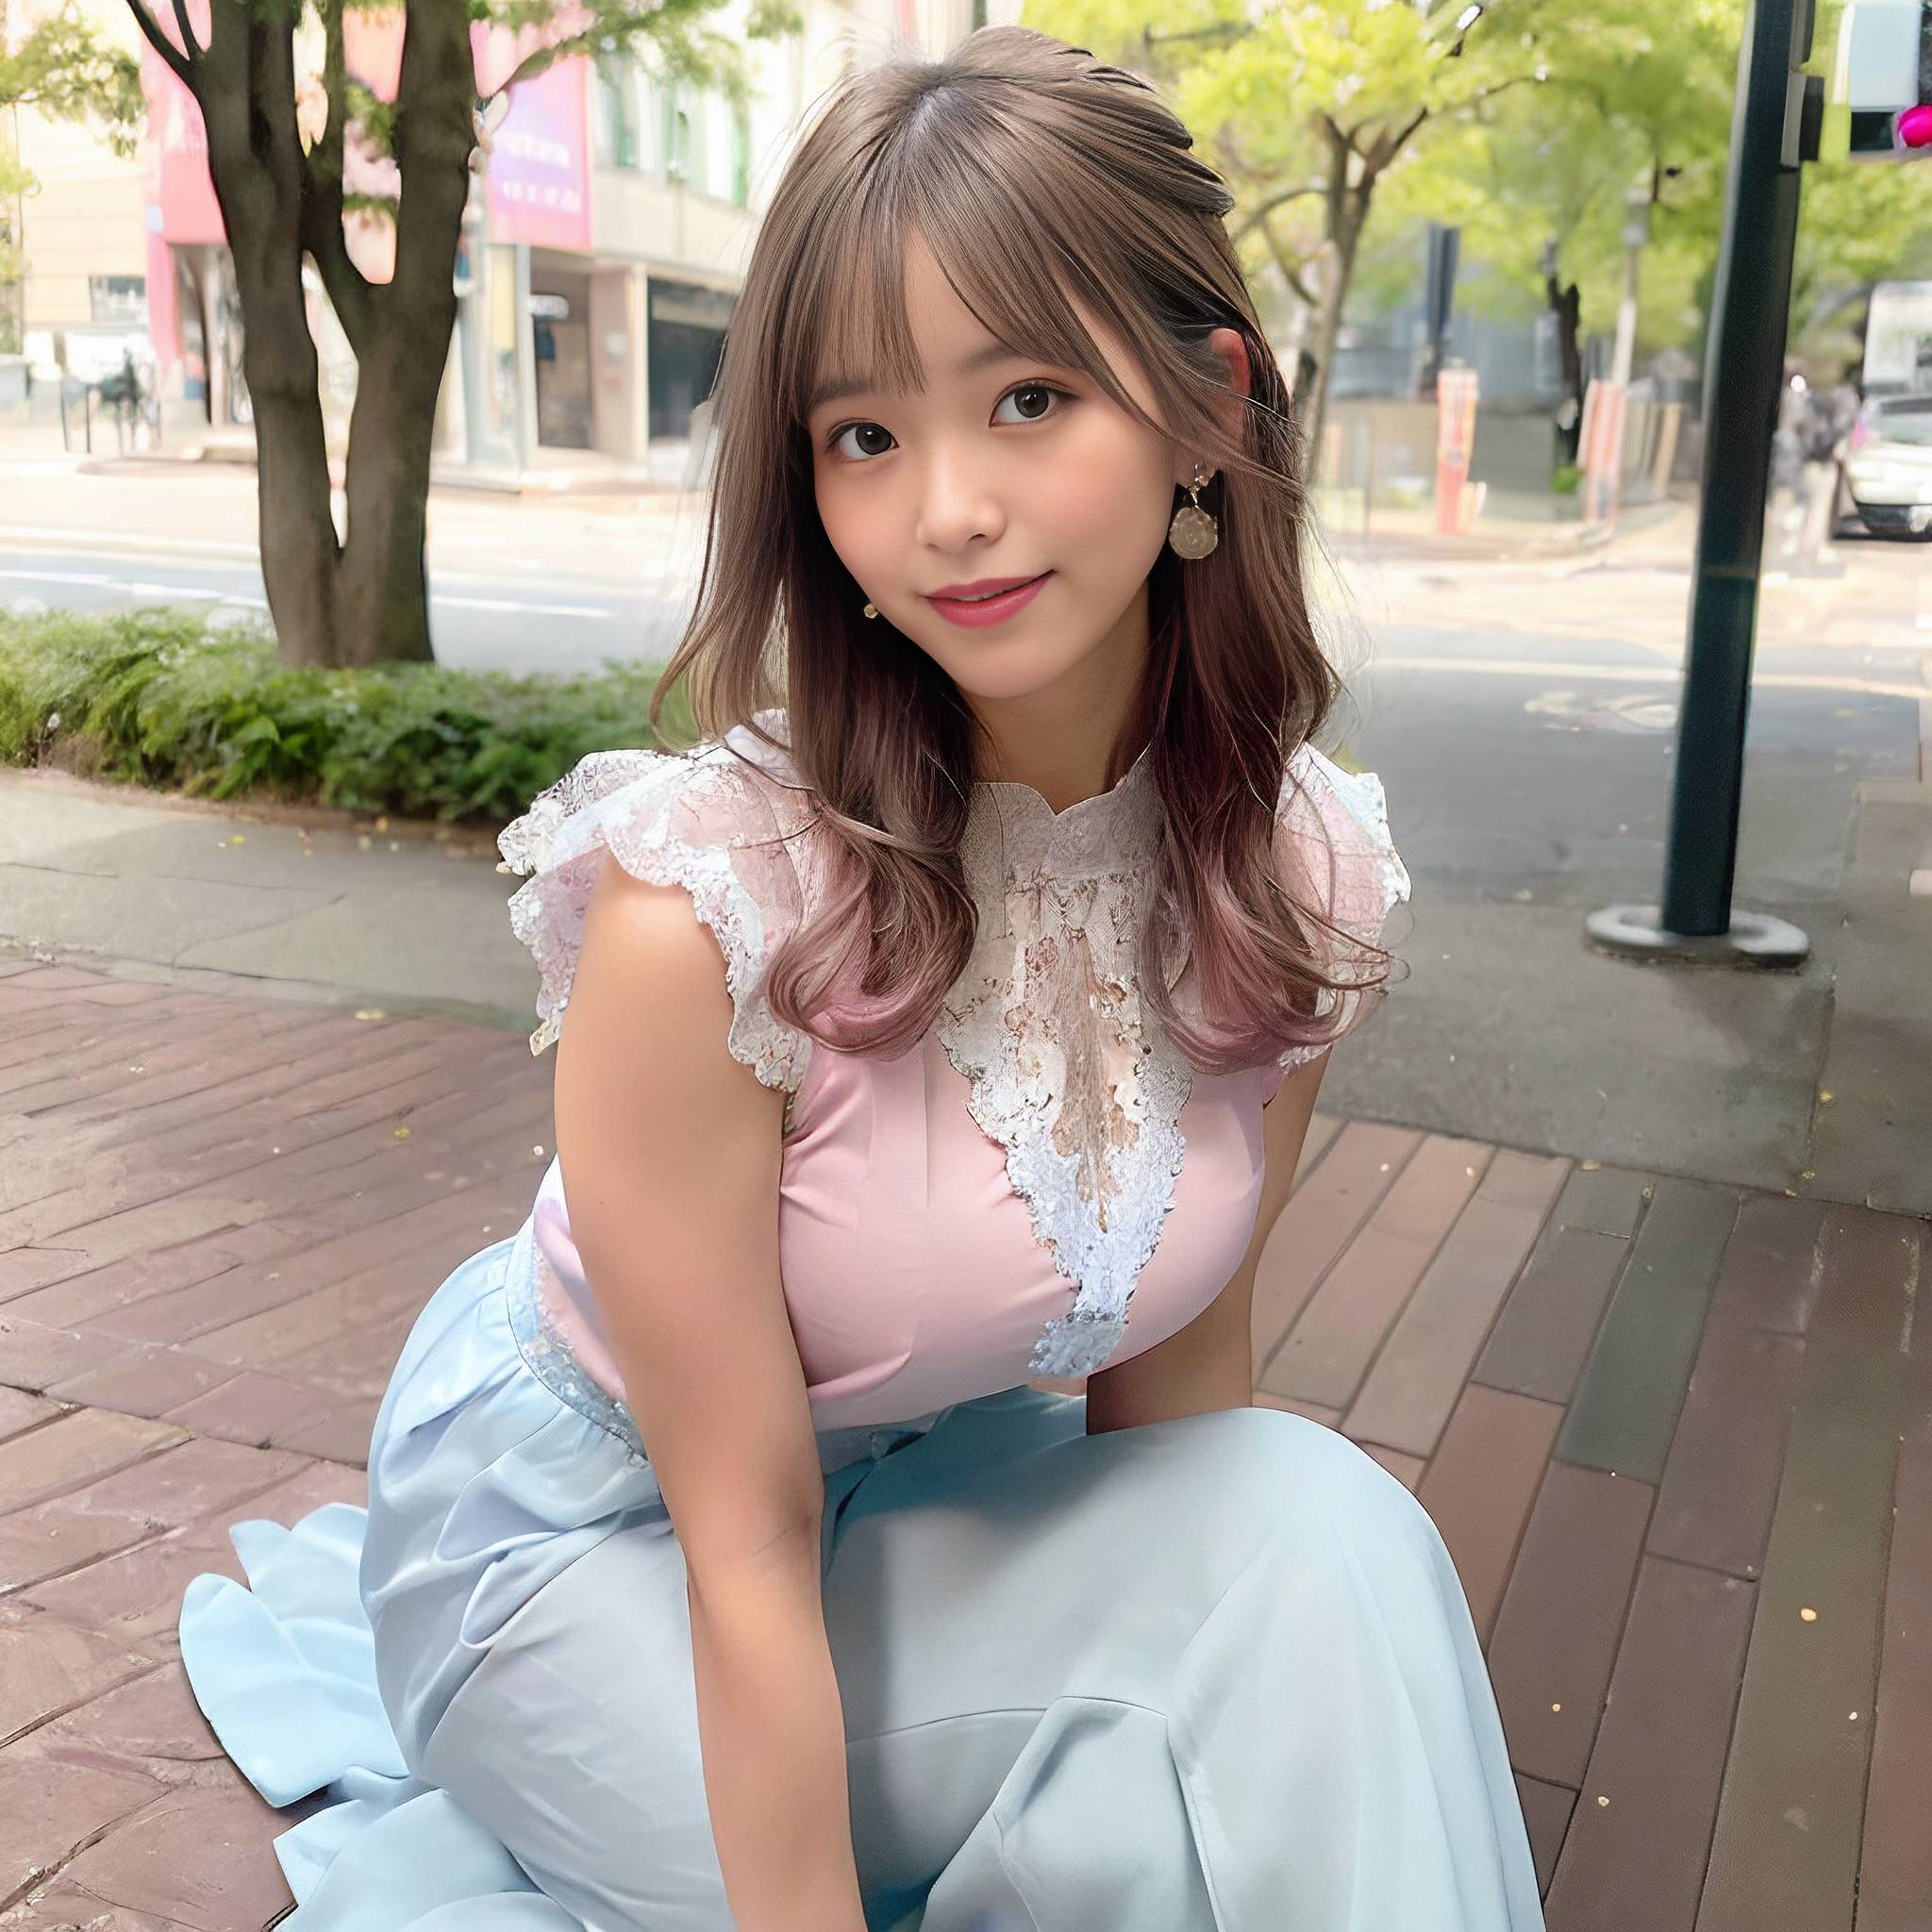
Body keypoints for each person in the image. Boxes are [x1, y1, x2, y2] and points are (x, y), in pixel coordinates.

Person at [176, 26, 1545, 1932]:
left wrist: (1217, 1709)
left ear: (1206, 404)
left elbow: (1185, 1438)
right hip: (600, 1542)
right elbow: (743, 1542)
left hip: (933, 1503)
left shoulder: (1293, 871)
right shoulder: (711, 910)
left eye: (1030, 396)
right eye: (865, 435)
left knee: (1329, 1543)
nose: (946, 510)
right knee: (1101, 1849)